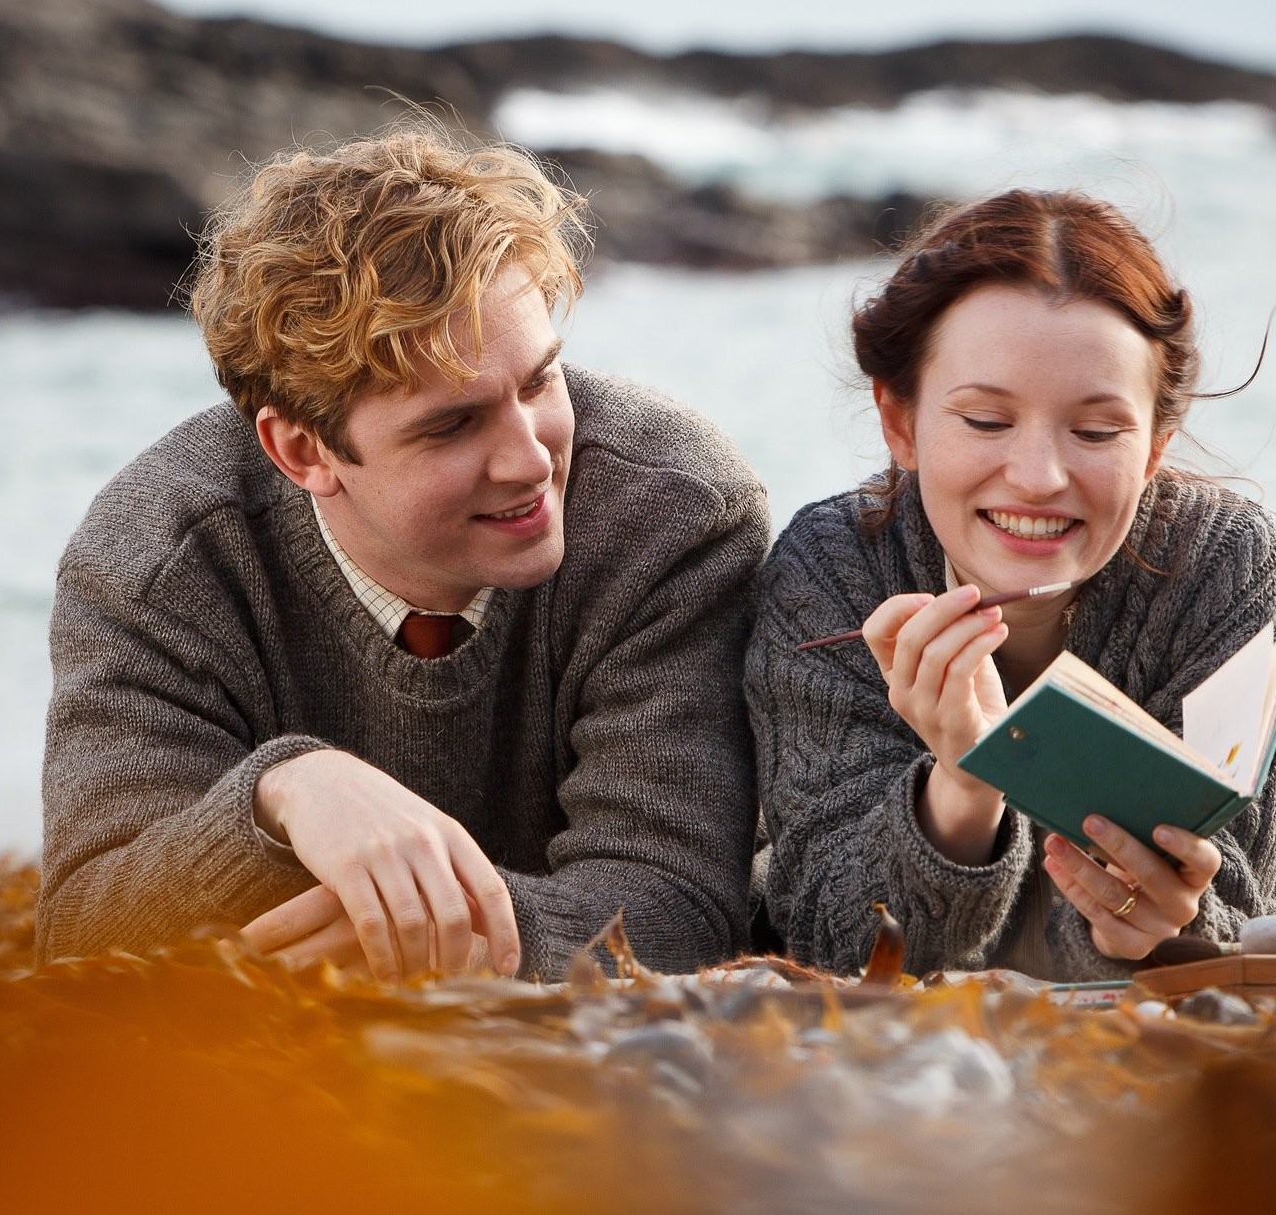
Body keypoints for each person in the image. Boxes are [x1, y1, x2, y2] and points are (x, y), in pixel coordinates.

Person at [39, 127, 769, 981]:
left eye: (538, 382)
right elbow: (83, 931)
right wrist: (284, 793)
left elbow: (681, 912)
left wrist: (421, 936)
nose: (531, 459)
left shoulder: (673, 513)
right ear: (303, 453)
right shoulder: (157, 558)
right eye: (453, 425)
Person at [745, 189, 1276, 979]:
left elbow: (1230, 906)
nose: (1037, 477)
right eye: (986, 422)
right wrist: (962, 787)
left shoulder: (1230, 562)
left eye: (1097, 432)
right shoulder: (829, 570)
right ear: (900, 423)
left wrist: (1160, 925)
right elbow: (835, 945)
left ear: (1157, 446)